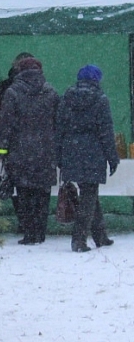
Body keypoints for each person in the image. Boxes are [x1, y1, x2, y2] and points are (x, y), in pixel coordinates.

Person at [0, 57, 59, 245]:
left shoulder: (12, 92)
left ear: (20, 71)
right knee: (43, 193)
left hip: (20, 151)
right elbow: (59, 123)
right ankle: (41, 231)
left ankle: (29, 232)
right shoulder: (51, 92)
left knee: (24, 193)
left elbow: (5, 124)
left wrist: (1, 150)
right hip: (46, 151)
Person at [56, 64, 119, 252]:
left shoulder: (66, 98)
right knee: (89, 195)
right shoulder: (101, 99)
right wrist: (112, 158)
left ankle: (100, 236)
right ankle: (79, 240)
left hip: (71, 151)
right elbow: (106, 131)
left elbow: (59, 128)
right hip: (93, 152)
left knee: (89, 192)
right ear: (96, 79)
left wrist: (59, 155)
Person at [0, 51, 34, 232]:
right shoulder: (40, 88)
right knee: (30, 186)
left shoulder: (6, 87)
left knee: (17, 185)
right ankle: (31, 223)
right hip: (31, 144)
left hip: (13, 144)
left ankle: (24, 222)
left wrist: (0, 145)